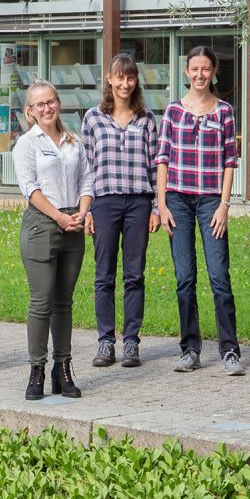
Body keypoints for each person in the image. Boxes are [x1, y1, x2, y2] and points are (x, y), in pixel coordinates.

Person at [155, 46, 244, 376]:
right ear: (186, 72)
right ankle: (189, 348)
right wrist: (161, 204)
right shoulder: (173, 112)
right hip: (177, 199)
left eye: (205, 69)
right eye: (194, 69)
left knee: (219, 277)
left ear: (213, 71)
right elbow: (162, 158)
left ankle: (230, 350)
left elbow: (230, 161)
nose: (200, 74)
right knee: (184, 278)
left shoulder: (224, 111)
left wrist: (224, 204)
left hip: (210, 202)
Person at [82, 52, 162, 369]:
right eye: (119, 77)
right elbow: (86, 169)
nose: (124, 83)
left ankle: (131, 341)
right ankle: (105, 342)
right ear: (109, 79)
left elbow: (157, 167)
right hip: (104, 203)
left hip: (138, 203)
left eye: (130, 78)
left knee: (135, 275)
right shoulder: (93, 118)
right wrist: (86, 209)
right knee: (103, 276)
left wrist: (156, 207)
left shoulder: (146, 119)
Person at [12, 79, 88, 401]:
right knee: (42, 301)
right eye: (39, 104)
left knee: (64, 303)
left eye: (51, 102)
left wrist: (82, 213)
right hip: (43, 224)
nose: (46, 108)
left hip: (74, 224)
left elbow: (87, 180)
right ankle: (37, 370)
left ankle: (64, 369)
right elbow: (30, 189)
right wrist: (59, 216)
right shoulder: (26, 145)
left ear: (59, 104)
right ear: (30, 111)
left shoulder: (74, 142)